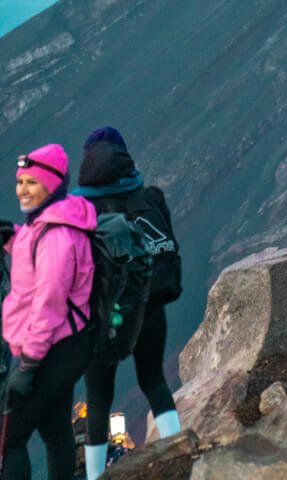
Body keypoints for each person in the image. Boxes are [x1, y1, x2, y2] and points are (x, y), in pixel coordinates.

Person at [72, 128, 182, 478]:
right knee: (153, 381)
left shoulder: (81, 210)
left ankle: (93, 475)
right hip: (150, 307)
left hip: (103, 317)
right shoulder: (150, 197)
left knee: (98, 397)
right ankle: (180, 451)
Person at [1, 143, 95, 480]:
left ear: (52, 185)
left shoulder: (57, 233)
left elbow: (49, 303)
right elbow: (37, 266)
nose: (22, 190)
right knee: (55, 430)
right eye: (20, 181)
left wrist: (28, 364)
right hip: (64, 345)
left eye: (32, 182)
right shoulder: (48, 220)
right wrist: (12, 240)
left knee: (10, 440)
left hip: (51, 349)